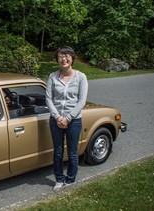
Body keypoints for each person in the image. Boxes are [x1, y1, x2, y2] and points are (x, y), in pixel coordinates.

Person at [46, 46, 88, 190]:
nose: (63, 59)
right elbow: (48, 99)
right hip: (56, 120)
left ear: (72, 58)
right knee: (57, 151)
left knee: (72, 152)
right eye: (60, 57)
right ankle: (59, 179)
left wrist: (68, 118)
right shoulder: (52, 76)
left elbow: (82, 101)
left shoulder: (81, 77)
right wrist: (58, 117)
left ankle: (70, 180)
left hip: (74, 120)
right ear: (57, 60)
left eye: (66, 56)